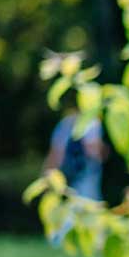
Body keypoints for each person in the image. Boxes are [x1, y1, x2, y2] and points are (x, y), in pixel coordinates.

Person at [42, 94, 107, 244]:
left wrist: (48, 174)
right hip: (87, 172)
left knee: (67, 204)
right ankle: (96, 241)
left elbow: (56, 153)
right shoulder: (92, 123)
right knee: (90, 205)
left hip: (67, 173)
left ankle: (58, 238)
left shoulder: (65, 124)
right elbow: (93, 150)